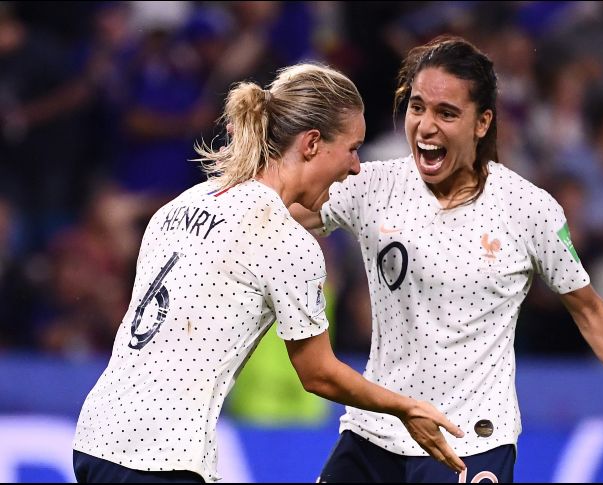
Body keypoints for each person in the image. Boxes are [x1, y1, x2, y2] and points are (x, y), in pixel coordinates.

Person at [290, 36, 603, 483]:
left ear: (482, 122)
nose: (425, 127)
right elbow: (281, 212)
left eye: (446, 113)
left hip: (470, 443)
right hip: (373, 433)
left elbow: (588, 310)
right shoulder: (372, 185)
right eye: (417, 107)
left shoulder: (528, 209)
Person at [72, 62, 466, 483]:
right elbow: (318, 373)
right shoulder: (287, 242)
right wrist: (405, 407)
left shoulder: (180, 205)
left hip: (97, 436)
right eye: (352, 148)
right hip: (161, 457)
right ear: (312, 143)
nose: (355, 167)